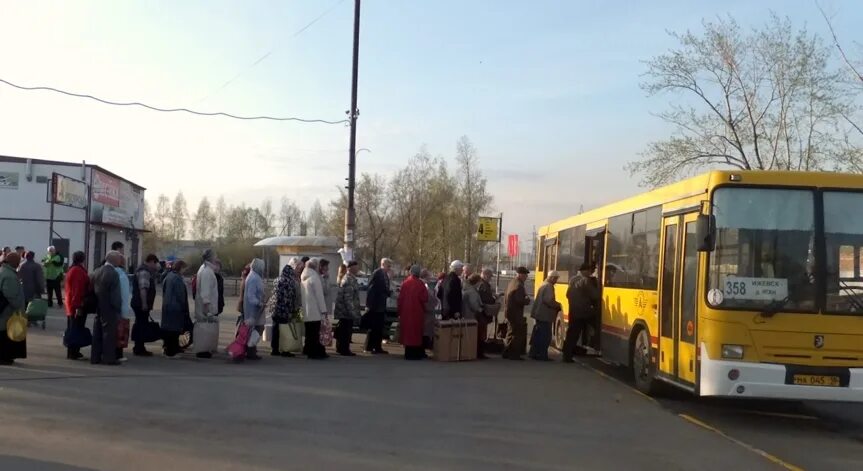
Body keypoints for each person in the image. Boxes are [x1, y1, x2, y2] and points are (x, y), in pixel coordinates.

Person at [562, 262, 601, 363]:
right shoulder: (585, 281)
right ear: (585, 271)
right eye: (590, 271)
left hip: (573, 311)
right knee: (597, 324)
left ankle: (567, 354)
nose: (590, 273)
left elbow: (567, 294)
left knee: (571, 334)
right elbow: (595, 295)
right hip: (583, 311)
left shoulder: (573, 279)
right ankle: (596, 344)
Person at [91, 251, 123, 366]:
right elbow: (115, 294)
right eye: (119, 258)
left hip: (98, 304)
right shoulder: (113, 273)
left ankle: (95, 357)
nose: (120, 261)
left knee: (97, 331)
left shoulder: (96, 271)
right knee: (109, 333)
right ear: (113, 260)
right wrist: (118, 307)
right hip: (109, 306)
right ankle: (109, 358)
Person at [271, 258, 302, 357]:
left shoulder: (277, 280)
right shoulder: (291, 282)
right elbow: (293, 297)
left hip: (275, 309)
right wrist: (295, 311)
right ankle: (285, 350)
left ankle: (274, 349)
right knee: (285, 330)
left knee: (275, 329)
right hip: (286, 310)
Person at [398, 265, 430, 360]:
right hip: (417, 310)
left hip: (405, 311)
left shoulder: (405, 283)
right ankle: (415, 354)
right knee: (416, 332)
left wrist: (399, 310)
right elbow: (424, 298)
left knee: (407, 332)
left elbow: (400, 298)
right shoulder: (420, 284)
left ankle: (408, 353)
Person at [131, 254, 159, 357]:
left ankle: (139, 346)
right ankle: (139, 348)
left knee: (140, 324)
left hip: (137, 302)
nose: (155, 266)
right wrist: (144, 303)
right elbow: (143, 289)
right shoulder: (144, 272)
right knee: (141, 325)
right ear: (151, 261)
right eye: (155, 263)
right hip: (140, 303)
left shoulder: (142, 270)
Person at [530, 270, 562, 361]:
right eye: (556, 279)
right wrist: (558, 305)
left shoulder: (543, 284)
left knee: (538, 334)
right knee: (545, 336)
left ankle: (534, 353)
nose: (556, 281)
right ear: (552, 278)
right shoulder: (549, 286)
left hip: (539, 314)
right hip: (545, 315)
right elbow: (548, 300)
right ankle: (542, 355)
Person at [0, 253, 25, 364]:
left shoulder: (2, 271)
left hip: (3, 311)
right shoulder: (9, 275)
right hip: (7, 312)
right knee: (6, 334)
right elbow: (10, 295)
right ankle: (5, 357)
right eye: (18, 261)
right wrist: (18, 305)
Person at [301, 258, 329, 359]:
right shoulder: (314, 277)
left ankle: (308, 349)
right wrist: (323, 310)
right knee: (315, 333)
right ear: (315, 266)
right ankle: (313, 353)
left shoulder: (303, 276)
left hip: (306, 311)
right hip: (315, 311)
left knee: (309, 332)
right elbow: (319, 296)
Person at [364, 257, 393, 354]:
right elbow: (371, 289)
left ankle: (377, 346)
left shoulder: (384, 274)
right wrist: (369, 304)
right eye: (388, 266)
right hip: (375, 305)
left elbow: (384, 288)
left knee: (379, 327)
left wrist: (389, 292)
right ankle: (370, 346)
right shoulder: (377, 273)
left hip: (381, 304)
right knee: (374, 327)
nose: (389, 268)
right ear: (383, 264)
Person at [160, 260, 188, 357]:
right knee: (174, 331)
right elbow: (180, 295)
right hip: (175, 307)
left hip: (167, 306)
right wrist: (184, 306)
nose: (184, 271)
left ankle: (166, 348)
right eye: (184, 268)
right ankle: (172, 351)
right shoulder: (177, 279)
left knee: (168, 330)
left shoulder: (168, 276)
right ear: (180, 268)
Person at [64, 251, 89, 360]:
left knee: (73, 328)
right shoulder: (78, 271)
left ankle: (73, 351)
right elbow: (77, 289)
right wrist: (78, 306)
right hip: (76, 305)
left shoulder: (72, 269)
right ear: (82, 259)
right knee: (76, 328)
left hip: (71, 304)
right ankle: (73, 352)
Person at [195, 249, 220, 358]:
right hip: (206, 307)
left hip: (205, 306)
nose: (217, 257)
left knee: (205, 328)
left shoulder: (205, 269)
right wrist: (207, 308)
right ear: (211, 257)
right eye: (215, 255)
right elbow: (205, 292)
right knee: (204, 328)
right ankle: (202, 350)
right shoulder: (206, 271)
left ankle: (205, 349)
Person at [503, 266, 531, 360]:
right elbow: (519, 300)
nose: (526, 277)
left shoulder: (511, 282)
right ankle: (514, 354)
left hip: (509, 311)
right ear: (520, 274)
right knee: (516, 334)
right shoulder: (519, 285)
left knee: (510, 332)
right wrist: (527, 300)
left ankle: (506, 352)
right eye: (525, 275)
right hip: (515, 313)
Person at [334, 261, 361, 356]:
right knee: (345, 331)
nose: (357, 269)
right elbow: (348, 298)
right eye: (356, 267)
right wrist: (352, 312)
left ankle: (341, 348)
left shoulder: (351, 279)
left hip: (346, 311)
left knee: (344, 330)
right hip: (346, 311)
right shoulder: (349, 280)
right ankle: (344, 349)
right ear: (350, 268)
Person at [242, 258, 266, 360]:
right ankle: (250, 348)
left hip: (254, 309)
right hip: (254, 309)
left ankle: (251, 349)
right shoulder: (254, 278)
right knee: (258, 328)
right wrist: (259, 303)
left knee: (255, 329)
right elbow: (251, 295)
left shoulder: (253, 276)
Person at [476, 268, 498, 360]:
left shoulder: (482, 284)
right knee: (481, 332)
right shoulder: (483, 285)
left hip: (482, 312)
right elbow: (485, 298)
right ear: (485, 275)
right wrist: (494, 299)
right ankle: (480, 352)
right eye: (489, 276)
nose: (490, 278)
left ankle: (480, 352)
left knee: (481, 332)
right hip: (482, 312)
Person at [115, 254, 132, 362]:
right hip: (121, 307)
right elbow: (124, 292)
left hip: (121, 306)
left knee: (119, 332)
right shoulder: (121, 274)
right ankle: (118, 354)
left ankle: (118, 353)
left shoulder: (118, 273)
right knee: (120, 332)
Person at [319, 259, 335, 348]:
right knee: (323, 328)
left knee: (325, 326)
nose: (328, 269)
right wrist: (326, 278)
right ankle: (322, 344)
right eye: (326, 267)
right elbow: (325, 290)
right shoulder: (322, 278)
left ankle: (324, 343)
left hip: (326, 305)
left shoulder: (325, 277)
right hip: (323, 306)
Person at [421, 269, 438, 350]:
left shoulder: (425, 285)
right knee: (425, 332)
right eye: (429, 276)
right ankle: (423, 348)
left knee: (425, 331)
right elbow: (429, 298)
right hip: (427, 312)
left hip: (427, 312)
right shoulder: (425, 286)